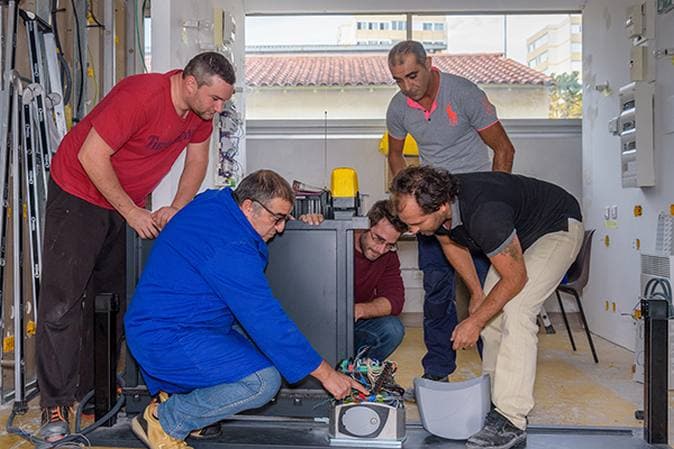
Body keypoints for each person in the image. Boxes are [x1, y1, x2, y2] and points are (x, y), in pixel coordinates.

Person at [36, 52, 236, 441]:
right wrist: (130, 211)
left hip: (125, 200)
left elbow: (196, 161)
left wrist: (176, 208)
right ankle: (55, 401)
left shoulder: (200, 116)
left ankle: (96, 390)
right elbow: (90, 154)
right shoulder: (141, 95)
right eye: (216, 99)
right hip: (78, 191)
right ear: (191, 84)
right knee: (63, 300)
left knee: (111, 301)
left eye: (224, 100)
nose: (219, 107)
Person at [124, 170, 367, 449]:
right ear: (249, 206)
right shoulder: (229, 247)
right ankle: (165, 420)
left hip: (190, 322)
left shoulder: (218, 203)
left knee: (269, 352)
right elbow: (266, 319)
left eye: (284, 219)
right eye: (277, 219)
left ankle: (189, 408)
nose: (281, 229)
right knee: (262, 381)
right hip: (166, 336)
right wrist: (327, 374)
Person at [390, 166, 583, 449]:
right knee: (493, 315)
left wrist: (474, 321)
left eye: (416, 223)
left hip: (556, 227)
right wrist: (478, 294)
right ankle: (495, 402)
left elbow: (516, 277)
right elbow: (451, 242)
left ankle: (511, 419)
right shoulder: (441, 212)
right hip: (519, 236)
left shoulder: (484, 212)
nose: (412, 230)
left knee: (517, 309)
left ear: (442, 206)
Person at [386, 40, 516, 386]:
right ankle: (437, 372)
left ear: (429, 65)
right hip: (431, 203)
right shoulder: (399, 108)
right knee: (437, 292)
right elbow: (395, 156)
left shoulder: (463, 93)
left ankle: (499, 380)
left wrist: (495, 201)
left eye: (412, 76)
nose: (406, 87)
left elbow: (503, 148)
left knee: (490, 293)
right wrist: (404, 199)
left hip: (474, 203)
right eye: (398, 80)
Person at [300, 200, 408, 361]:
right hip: (315, 321)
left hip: (352, 323)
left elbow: (394, 300)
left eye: (389, 245)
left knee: (392, 329)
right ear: (364, 225)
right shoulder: (335, 237)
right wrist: (306, 227)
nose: (381, 250)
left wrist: (356, 310)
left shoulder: (388, 256)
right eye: (378, 239)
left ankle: (355, 373)